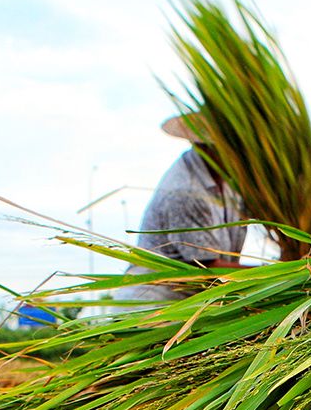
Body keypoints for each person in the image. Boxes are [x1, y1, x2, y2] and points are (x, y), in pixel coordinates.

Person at [104, 111, 246, 313]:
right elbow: (207, 269)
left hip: (191, 308)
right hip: (152, 310)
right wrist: (279, 272)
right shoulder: (185, 190)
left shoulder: (230, 183)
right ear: (206, 147)